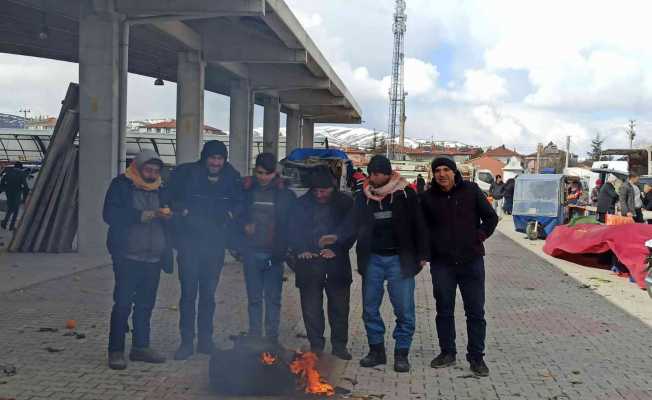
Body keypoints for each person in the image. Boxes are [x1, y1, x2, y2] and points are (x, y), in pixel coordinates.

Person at [335, 155, 429, 373]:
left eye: (377, 173)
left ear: (388, 173)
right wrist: (337, 240)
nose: (373, 177)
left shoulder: (405, 194)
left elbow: (419, 224)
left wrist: (423, 253)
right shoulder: (363, 196)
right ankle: (376, 351)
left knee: (404, 310)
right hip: (373, 260)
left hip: (399, 260)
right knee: (369, 308)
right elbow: (351, 223)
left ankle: (401, 354)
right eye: (371, 173)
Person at [420, 157, 498, 377]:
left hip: (471, 261)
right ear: (433, 174)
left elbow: (491, 218)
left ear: (454, 172)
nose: (442, 174)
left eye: (446, 170)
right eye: (437, 170)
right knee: (444, 310)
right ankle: (447, 353)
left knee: (475, 312)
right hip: (442, 264)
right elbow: (422, 228)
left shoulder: (471, 191)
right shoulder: (427, 198)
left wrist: (479, 237)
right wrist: (425, 253)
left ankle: (476, 358)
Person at [166, 140, 242, 360]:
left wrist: (229, 215)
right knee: (188, 295)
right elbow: (170, 196)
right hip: (189, 244)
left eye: (219, 158)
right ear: (204, 157)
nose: (216, 162)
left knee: (208, 295)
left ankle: (206, 341)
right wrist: (184, 212)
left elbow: (240, 202)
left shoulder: (231, 176)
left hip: (214, 247)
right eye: (212, 158)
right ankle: (186, 342)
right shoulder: (187, 173)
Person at [103, 150, 172, 370]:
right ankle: (115, 350)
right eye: (148, 170)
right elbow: (110, 215)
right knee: (123, 304)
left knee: (145, 305)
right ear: (138, 168)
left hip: (153, 258)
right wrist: (143, 215)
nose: (152, 174)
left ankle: (141, 347)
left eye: (155, 171)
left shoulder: (162, 188)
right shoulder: (121, 185)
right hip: (127, 255)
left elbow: (171, 218)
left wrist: (172, 217)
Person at [289, 167, 354, 360]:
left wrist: (337, 248)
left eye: (324, 191)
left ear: (332, 187)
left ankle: (339, 346)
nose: (320, 194)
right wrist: (301, 249)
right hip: (308, 264)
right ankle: (316, 344)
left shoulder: (345, 203)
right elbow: (293, 229)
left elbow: (351, 229)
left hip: (336, 263)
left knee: (339, 307)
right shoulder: (300, 204)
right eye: (316, 190)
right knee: (310, 308)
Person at [239, 153, 296, 344]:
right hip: (251, 252)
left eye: (267, 173)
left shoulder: (285, 194)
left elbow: (290, 224)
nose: (262, 177)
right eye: (259, 172)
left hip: (274, 256)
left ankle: (272, 338)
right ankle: (255, 336)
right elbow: (237, 215)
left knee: (273, 299)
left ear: (275, 173)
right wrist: (244, 226)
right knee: (254, 299)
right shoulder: (247, 190)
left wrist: (283, 249)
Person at [0, 162, 30, 231]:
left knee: (10, 208)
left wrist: (4, 188)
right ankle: (11, 226)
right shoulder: (21, 173)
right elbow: (25, 185)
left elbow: (2, 182)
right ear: (20, 167)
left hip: (8, 192)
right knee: (16, 210)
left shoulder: (9, 172)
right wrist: (26, 192)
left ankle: (5, 223)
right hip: (17, 193)